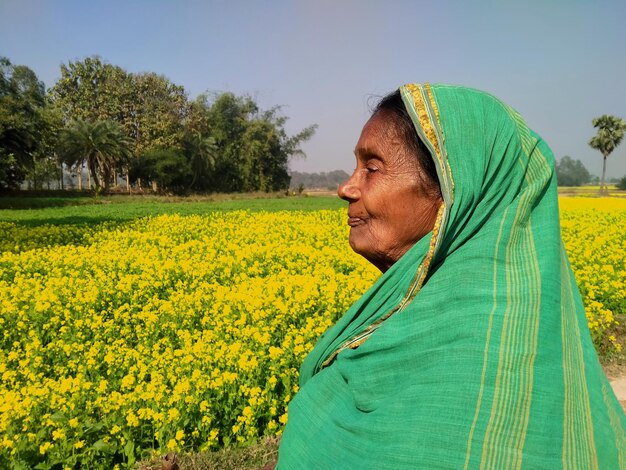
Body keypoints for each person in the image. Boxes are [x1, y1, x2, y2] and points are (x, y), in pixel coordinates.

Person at [275, 83, 626, 468]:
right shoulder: (414, 318)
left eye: (371, 168)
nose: (346, 188)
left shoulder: (483, 368)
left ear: (452, 190)